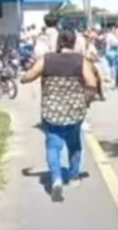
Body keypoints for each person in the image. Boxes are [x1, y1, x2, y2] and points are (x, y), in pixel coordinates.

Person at [20, 29, 98, 201]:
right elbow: (92, 83)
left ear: (59, 42)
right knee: (74, 144)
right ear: (73, 42)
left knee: (53, 146)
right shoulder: (80, 61)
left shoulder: (47, 59)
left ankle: (56, 179)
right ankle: (74, 176)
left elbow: (28, 76)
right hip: (74, 110)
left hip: (52, 111)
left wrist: (25, 77)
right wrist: (87, 99)